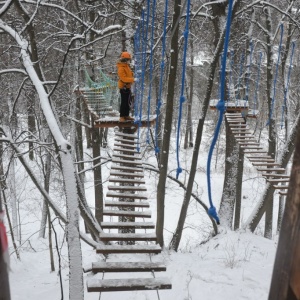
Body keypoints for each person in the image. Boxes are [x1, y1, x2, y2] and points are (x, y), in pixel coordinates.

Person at [117, 51, 135, 122]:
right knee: (124, 102)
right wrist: (133, 79)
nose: (129, 61)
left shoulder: (126, 66)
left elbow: (128, 74)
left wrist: (132, 75)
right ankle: (122, 116)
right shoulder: (121, 68)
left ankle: (126, 115)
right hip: (123, 87)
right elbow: (123, 78)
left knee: (127, 102)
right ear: (125, 60)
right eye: (128, 60)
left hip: (127, 86)